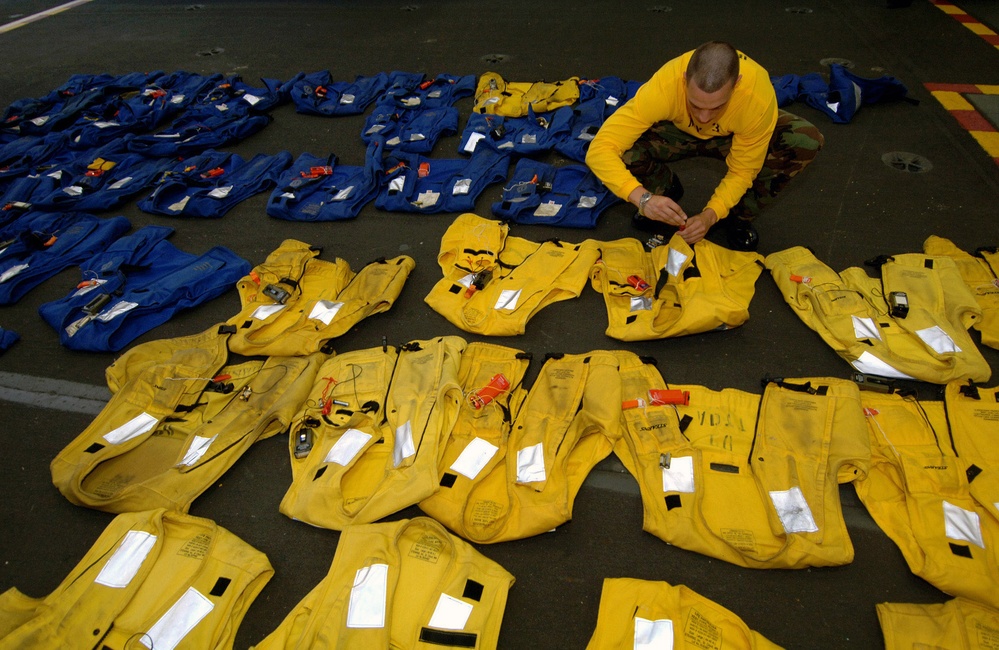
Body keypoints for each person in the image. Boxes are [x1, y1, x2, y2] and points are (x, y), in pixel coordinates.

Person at [585, 41, 824, 251]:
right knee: (623, 147)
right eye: (695, 104)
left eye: (717, 106)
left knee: (803, 139)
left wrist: (710, 216)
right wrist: (642, 199)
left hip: (734, 136)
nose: (704, 118)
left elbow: (742, 171)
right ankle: (663, 193)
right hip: (676, 131)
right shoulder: (665, 85)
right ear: (684, 80)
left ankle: (736, 215)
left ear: (737, 84)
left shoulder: (757, 97)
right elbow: (600, 149)